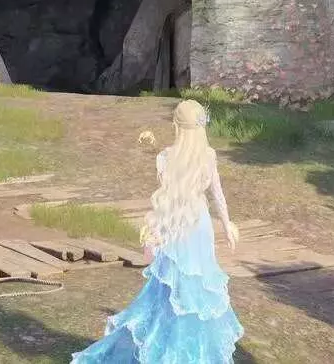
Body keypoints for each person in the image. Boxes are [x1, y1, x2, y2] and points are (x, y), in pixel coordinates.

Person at [71, 100, 244, 363]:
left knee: (172, 290)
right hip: (196, 226)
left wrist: (157, 231)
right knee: (189, 291)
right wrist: (226, 223)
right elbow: (216, 194)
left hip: (178, 227)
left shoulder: (165, 157)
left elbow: (170, 200)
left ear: (176, 126)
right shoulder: (206, 155)